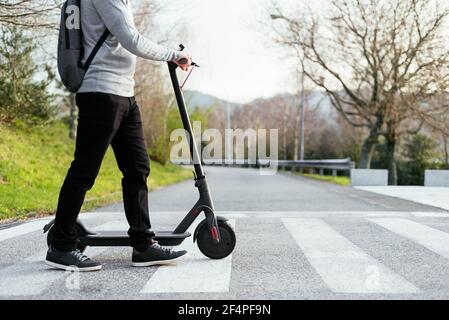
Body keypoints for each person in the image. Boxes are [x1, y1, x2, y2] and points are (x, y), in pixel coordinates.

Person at [45, 0, 191, 272]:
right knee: (84, 171)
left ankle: (143, 244)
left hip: (124, 93)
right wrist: (172, 54)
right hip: (101, 91)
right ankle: (61, 246)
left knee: (137, 168)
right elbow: (131, 39)